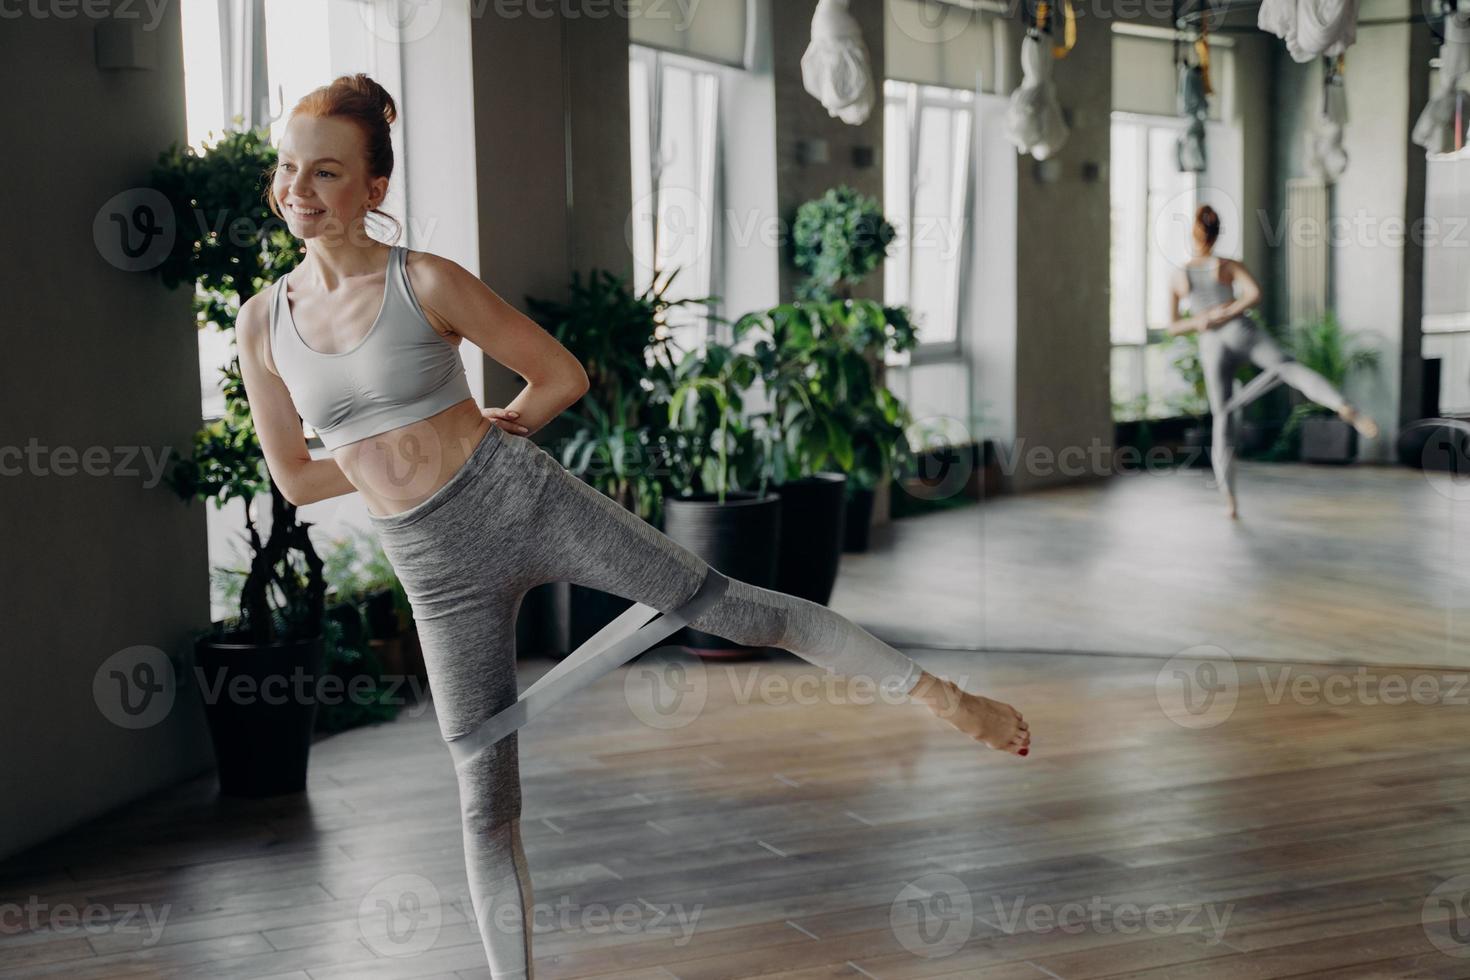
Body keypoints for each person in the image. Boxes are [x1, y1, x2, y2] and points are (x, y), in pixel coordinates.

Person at [233, 74, 1030, 978]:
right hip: (431, 566)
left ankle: (941, 696)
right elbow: (296, 478)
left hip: (525, 502)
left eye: (326, 172)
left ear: (373, 189)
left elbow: (559, 375)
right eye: (288, 168)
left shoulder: (426, 281)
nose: (296, 189)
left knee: (740, 611)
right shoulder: (262, 323)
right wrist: (394, 454)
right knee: (483, 798)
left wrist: (497, 429)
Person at [1167, 204, 1378, 518]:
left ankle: (1230, 501)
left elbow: (1172, 326)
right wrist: (1228, 310)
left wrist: (1202, 320)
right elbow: (1253, 294)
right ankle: (1342, 405)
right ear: (1217, 232)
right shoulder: (1226, 264)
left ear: (1193, 233)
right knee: (1286, 367)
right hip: (1241, 331)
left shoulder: (1179, 273)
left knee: (1222, 418)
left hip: (1211, 342)